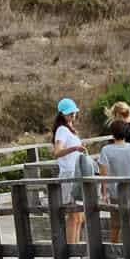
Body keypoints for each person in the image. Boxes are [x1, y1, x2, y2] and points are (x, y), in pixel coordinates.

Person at [97, 117, 130, 243]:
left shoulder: (106, 150)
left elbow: (104, 173)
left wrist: (104, 192)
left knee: (116, 224)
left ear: (112, 133)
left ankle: (114, 248)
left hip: (115, 191)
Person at [51, 97, 93, 248]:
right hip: (69, 175)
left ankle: (75, 248)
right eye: (69, 113)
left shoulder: (70, 130)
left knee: (79, 217)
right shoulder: (62, 130)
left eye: (73, 112)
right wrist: (74, 148)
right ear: (62, 114)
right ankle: (71, 249)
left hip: (76, 173)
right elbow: (57, 152)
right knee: (74, 216)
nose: (72, 115)